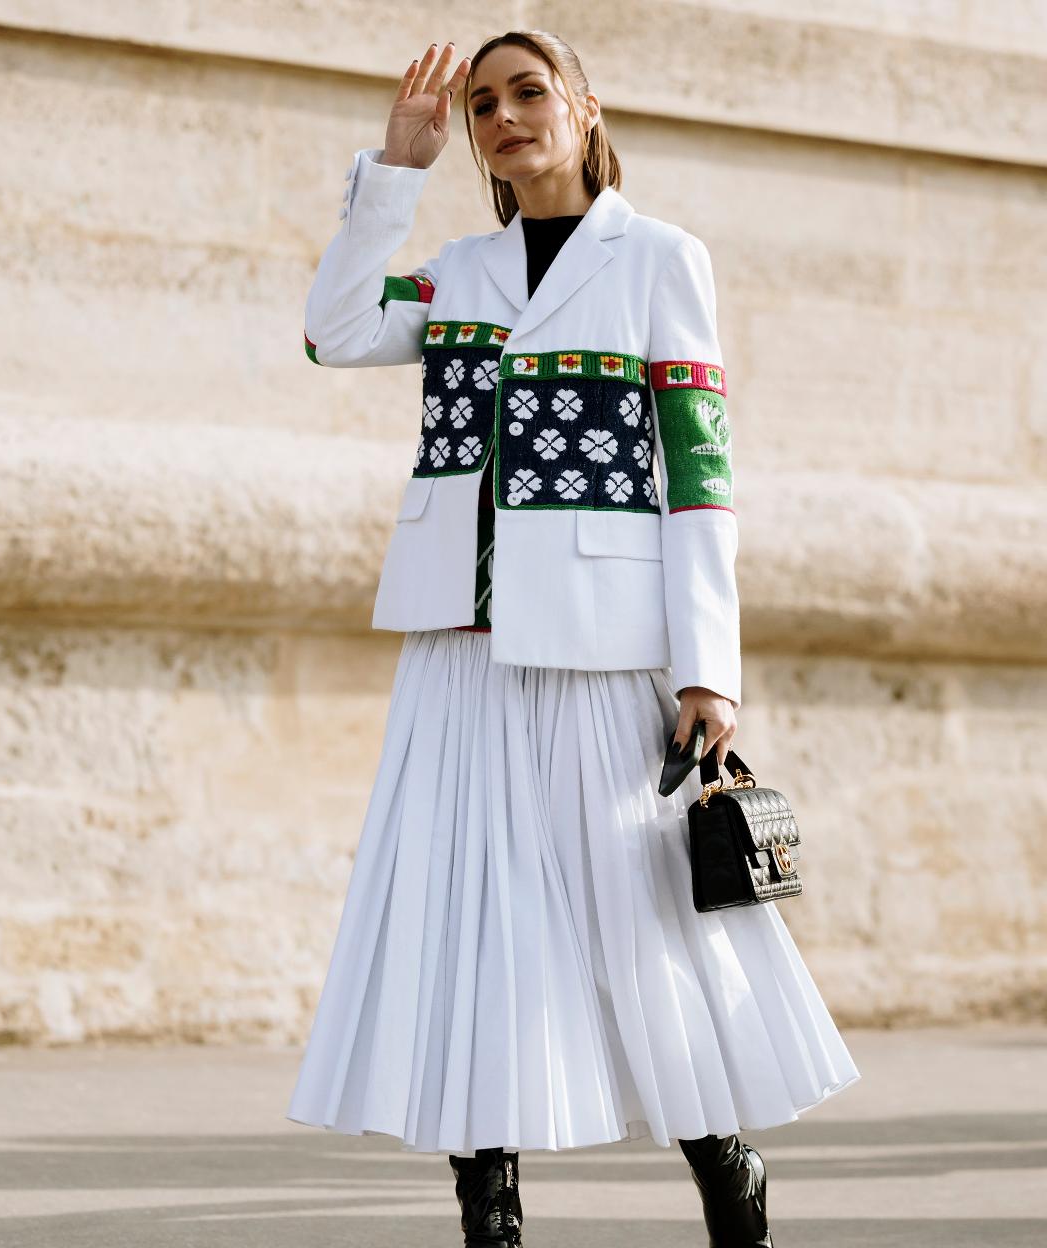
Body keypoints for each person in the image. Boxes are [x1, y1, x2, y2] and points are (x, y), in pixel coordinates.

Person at [288, 30, 861, 1247]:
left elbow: (699, 475)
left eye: (527, 92)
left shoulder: (658, 261)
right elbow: (332, 328)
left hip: (605, 645)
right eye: (483, 103)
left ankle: (724, 1166)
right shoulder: (454, 273)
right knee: (465, 912)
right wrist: (392, 168)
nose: (503, 117)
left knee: (637, 912)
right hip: (459, 645)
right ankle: (487, 1209)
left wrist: (709, 670)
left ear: (583, 105)